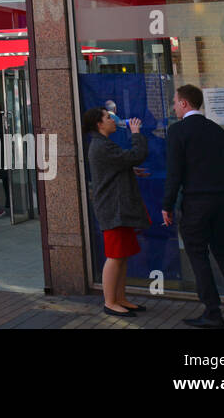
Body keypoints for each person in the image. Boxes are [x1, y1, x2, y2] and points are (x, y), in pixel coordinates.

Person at [162, 84, 224, 328]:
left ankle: (213, 313)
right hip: (222, 201)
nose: (173, 107)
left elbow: (174, 173)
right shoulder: (215, 129)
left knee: (198, 255)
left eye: (175, 102)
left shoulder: (178, 131)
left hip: (196, 203)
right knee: (223, 253)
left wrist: (167, 205)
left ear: (184, 103)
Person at [84, 107, 149, 317]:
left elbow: (118, 165)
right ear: (99, 124)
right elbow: (135, 155)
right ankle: (110, 302)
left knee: (122, 256)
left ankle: (120, 298)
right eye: (108, 117)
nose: (113, 120)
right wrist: (136, 133)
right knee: (114, 256)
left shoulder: (103, 144)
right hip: (113, 208)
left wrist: (129, 170)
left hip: (117, 208)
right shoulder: (101, 146)